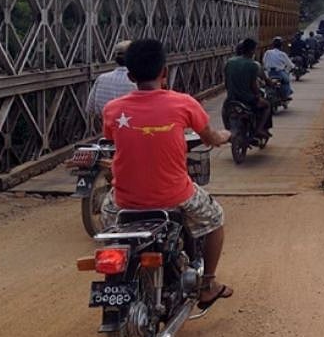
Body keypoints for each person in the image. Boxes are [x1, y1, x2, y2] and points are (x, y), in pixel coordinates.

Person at [99, 39, 234, 312]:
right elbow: (210, 135)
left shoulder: (113, 110)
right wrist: (224, 137)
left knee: (108, 226)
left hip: (125, 200)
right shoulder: (184, 103)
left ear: (130, 76)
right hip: (175, 195)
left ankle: (119, 277)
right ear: (165, 72)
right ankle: (208, 284)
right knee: (216, 219)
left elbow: (111, 137)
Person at [224, 38, 272, 139]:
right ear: (252, 50)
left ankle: (228, 128)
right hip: (246, 99)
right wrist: (257, 96)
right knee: (267, 105)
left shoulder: (230, 62)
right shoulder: (252, 65)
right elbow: (253, 85)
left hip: (232, 98)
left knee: (225, 110)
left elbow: (226, 82)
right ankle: (259, 129)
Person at [87, 40, 136, 125]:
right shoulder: (138, 82)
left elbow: (90, 109)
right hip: (131, 130)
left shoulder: (101, 79)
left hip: (106, 128)